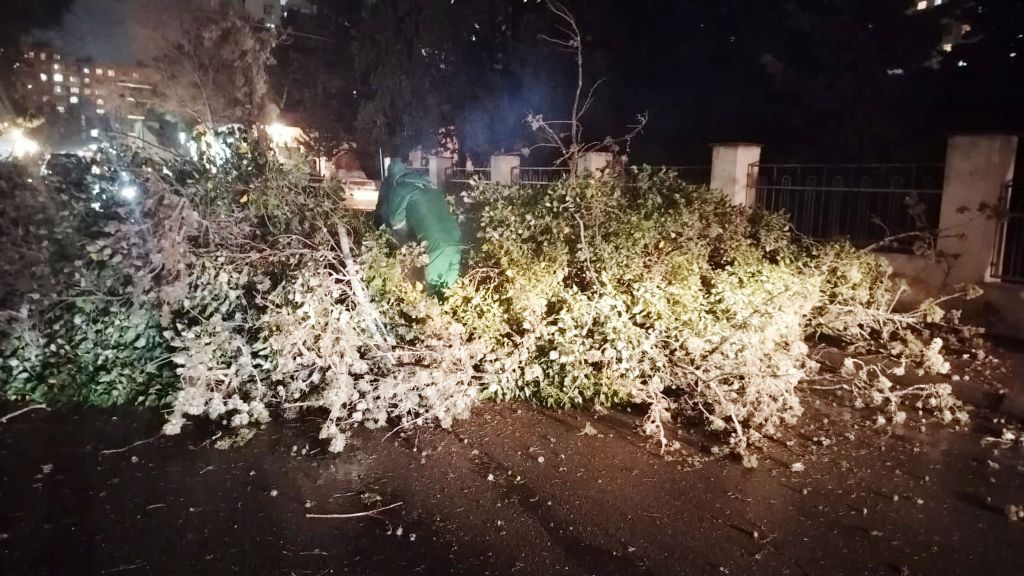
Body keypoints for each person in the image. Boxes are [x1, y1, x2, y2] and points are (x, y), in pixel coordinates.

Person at [377, 159, 462, 296]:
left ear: (393, 177)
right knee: (449, 292)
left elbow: (396, 221)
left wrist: (407, 240)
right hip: (455, 240)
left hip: (436, 244)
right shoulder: (429, 185)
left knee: (433, 295)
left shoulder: (400, 187)